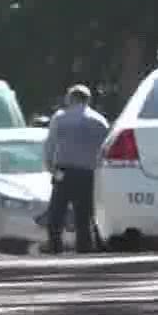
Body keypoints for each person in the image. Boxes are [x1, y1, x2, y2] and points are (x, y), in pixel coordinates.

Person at [42, 84, 109, 253]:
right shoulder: (100, 121)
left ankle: (55, 246)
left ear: (71, 98)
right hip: (88, 173)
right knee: (84, 214)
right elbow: (105, 148)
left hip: (63, 171)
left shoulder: (60, 118)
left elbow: (50, 145)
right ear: (88, 100)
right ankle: (84, 248)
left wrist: (50, 166)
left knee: (57, 211)